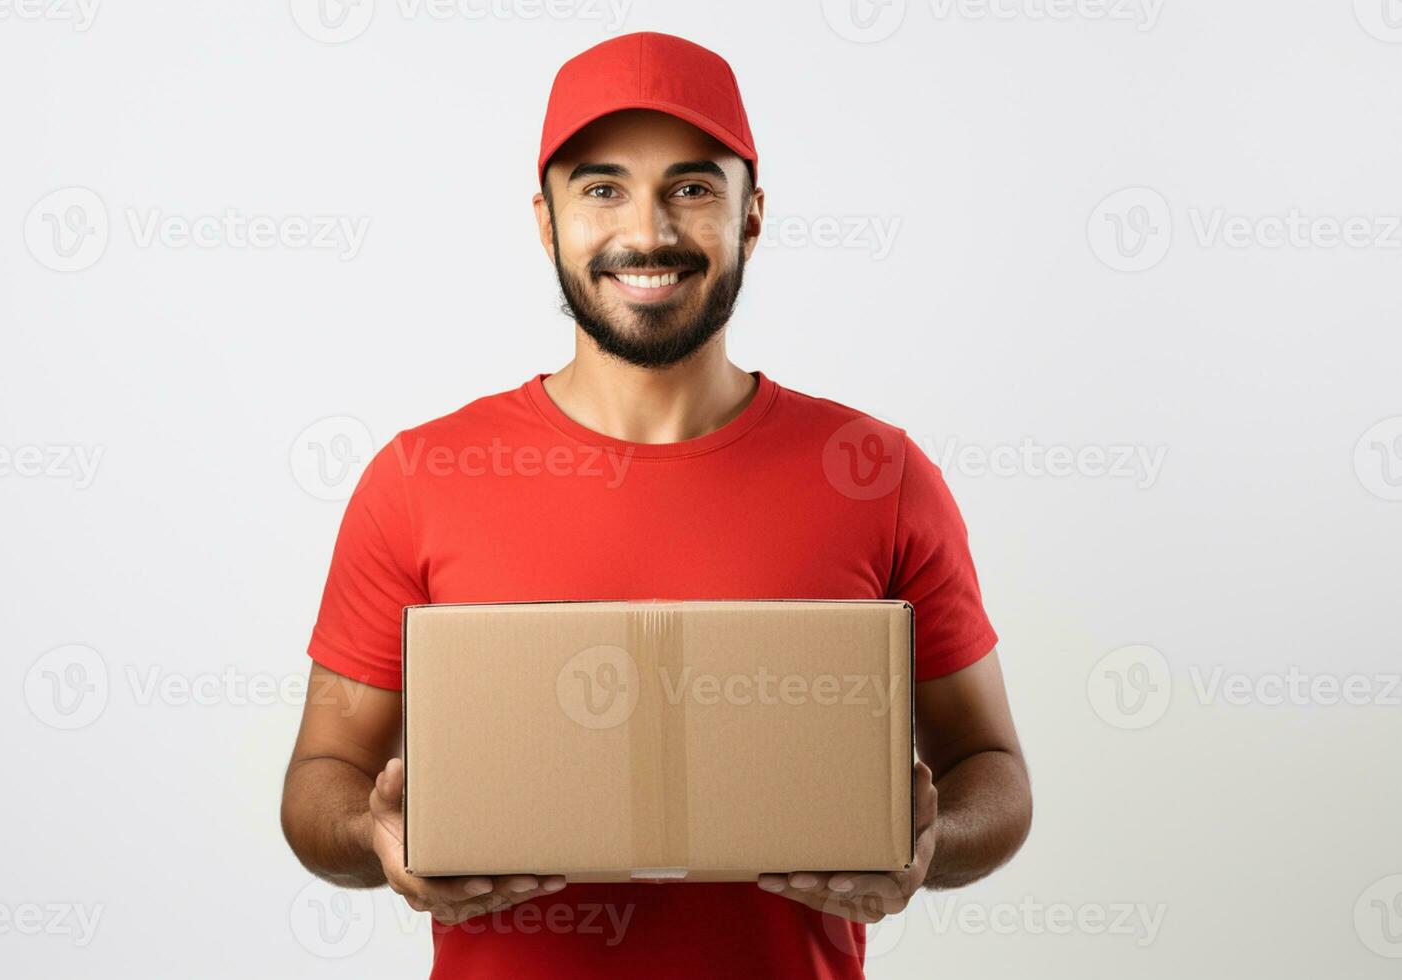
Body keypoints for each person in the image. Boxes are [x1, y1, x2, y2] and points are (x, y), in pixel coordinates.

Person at [281, 31, 1031, 979]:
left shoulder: (876, 473)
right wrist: (375, 833)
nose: (648, 233)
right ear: (546, 223)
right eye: (602, 189)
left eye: (692, 188)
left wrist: (933, 843)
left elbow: (993, 768)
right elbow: (319, 784)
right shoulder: (419, 477)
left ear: (751, 217)